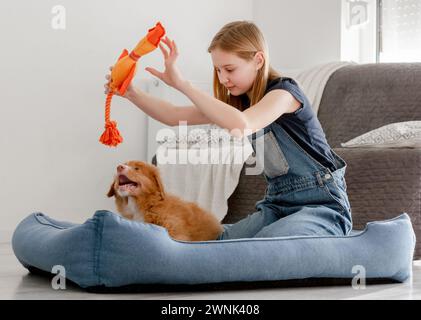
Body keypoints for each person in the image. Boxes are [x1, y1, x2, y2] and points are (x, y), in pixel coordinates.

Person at [104, 20, 353, 240]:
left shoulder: (284, 94)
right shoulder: (239, 103)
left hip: (321, 205)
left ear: (258, 60)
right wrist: (131, 93)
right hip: (278, 205)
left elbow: (242, 124)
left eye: (230, 69)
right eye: (218, 70)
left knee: (267, 246)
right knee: (220, 242)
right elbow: (173, 116)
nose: (223, 79)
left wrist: (182, 84)